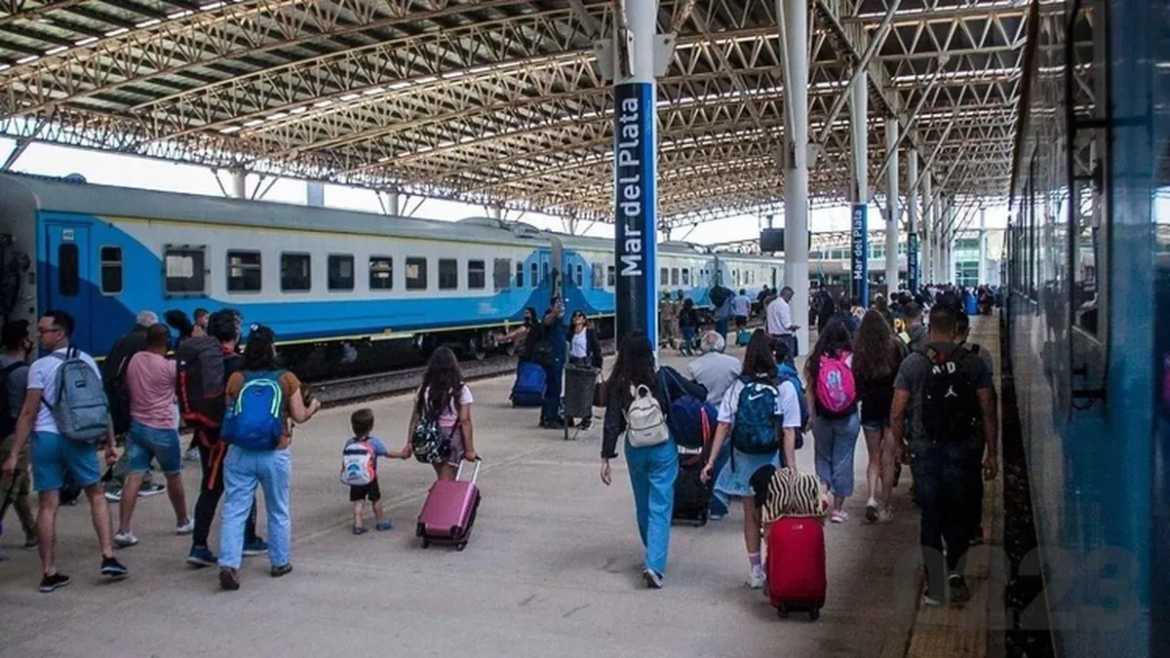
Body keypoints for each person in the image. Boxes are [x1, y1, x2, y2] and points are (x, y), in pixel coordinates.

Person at [1, 310, 128, 593]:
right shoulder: (85, 361)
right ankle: (108, 556)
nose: (38, 335)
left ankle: (49, 572)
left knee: (48, 504)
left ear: (59, 333)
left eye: (44, 330)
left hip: (46, 439)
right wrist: (109, 443)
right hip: (79, 437)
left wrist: (14, 453)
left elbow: (28, 412)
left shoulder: (39, 367)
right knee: (95, 494)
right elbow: (100, 406)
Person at [891, 305, 998, 607]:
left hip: (925, 448)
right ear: (955, 330)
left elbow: (897, 410)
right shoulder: (973, 362)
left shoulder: (913, 362)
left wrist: (898, 445)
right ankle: (956, 573)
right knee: (960, 512)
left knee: (932, 515)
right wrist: (992, 452)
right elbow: (989, 409)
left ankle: (934, 586)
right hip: (965, 448)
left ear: (929, 326)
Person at [218, 324, 321, 591]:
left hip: (239, 452)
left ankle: (229, 564)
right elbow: (299, 416)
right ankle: (279, 562)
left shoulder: (237, 379)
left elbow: (230, 413)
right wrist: (314, 408)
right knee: (277, 508)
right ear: (272, 348)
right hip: (275, 452)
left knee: (234, 509)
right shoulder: (287, 379)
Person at [700, 330, 800, 588]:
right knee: (774, 515)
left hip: (743, 458)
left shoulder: (738, 386)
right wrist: (792, 468)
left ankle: (756, 572)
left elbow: (723, 425)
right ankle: (773, 564)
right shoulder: (784, 387)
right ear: (774, 355)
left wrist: (711, 461)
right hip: (772, 459)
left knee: (750, 514)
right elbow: (789, 430)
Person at [188, 309, 267, 568]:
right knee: (238, 485)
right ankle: (244, 538)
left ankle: (200, 543)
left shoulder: (202, 359)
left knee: (209, 486)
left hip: (204, 430)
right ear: (235, 333)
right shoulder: (236, 364)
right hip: (228, 435)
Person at [600, 332, 678, 589]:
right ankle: (654, 564)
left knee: (643, 505)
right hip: (662, 448)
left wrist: (606, 458)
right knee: (661, 505)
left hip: (635, 448)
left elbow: (612, 423)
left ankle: (652, 551)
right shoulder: (659, 379)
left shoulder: (619, 383)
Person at [113, 323, 193, 547]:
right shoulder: (169, 367)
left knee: (134, 477)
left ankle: (124, 529)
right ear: (166, 341)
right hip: (163, 428)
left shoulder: (135, 359)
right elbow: (181, 389)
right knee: (173, 475)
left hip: (138, 426)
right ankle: (183, 520)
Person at [805, 317, 860, 524]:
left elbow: (810, 391)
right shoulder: (853, 359)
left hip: (822, 416)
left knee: (823, 458)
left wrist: (811, 417)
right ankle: (838, 510)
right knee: (843, 460)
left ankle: (822, 496)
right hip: (848, 417)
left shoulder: (816, 359)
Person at [852, 310, 904, 523]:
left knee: (874, 458)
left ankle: (871, 498)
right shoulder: (895, 347)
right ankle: (886, 505)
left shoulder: (860, 351)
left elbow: (857, 384)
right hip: (891, 409)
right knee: (888, 459)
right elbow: (902, 379)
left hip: (870, 409)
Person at [408, 347, 477, 481]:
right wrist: (470, 449)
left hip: (430, 435)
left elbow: (415, 416)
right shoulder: (460, 389)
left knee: (442, 475)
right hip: (451, 437)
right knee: (447, 479)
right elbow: (465, 420)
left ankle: (442, 498)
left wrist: (410, 441)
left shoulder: (424, 389)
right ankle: (440, 500)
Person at [0, 320, 36, 555]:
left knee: (21, 488)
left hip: (1, 432)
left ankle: (32, 532)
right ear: (24, 341)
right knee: (6, 491)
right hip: (16, 438)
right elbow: (31, 408)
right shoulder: (26, 373)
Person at [345, 408, 408, 534]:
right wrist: (402, 455)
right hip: (370, 477)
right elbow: (387, 453)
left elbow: (346, 459)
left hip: (355, 477)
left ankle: (358, 524)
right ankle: (380, 521)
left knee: (358, 501)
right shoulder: (373, 442)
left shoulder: (349, 442)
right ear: (370, 427)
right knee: (376, 499)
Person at [566, 310, 603, 430]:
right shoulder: (570, 333)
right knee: (572, 391)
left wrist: (598, 365)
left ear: (583, 319)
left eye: (579, 316)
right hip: (574, 363)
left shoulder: (589, 333)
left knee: (585, 392)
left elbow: (596, 348)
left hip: (586, 363)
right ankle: (571, 416)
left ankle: (587, 418)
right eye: (574, 316)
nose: (576, 318)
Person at [685, 331, 742, 407]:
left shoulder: (693, 366)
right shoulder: (735, 363)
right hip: (729, 407)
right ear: (722, 345)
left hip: (705, 410)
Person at [539, 297, 567, 429]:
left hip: (558, 357)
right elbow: (546, 321)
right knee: (554, 388)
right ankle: (551, 418)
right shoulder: (550, 316)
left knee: (554, 388)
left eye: (562, 304)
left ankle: (547, 416)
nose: (561, 306)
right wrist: (554, 313)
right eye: (558, 304)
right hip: (552, 357)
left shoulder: (561, 319)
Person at [767, 286, 800, 359]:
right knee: (788, 358)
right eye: (790, 297)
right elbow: (786, 325)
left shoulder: (771, 305)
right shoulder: (784, 305)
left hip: (773, 336)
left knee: (776, 358)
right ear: (787, 295)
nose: (790, 300)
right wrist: (794, 327)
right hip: (785, 337)